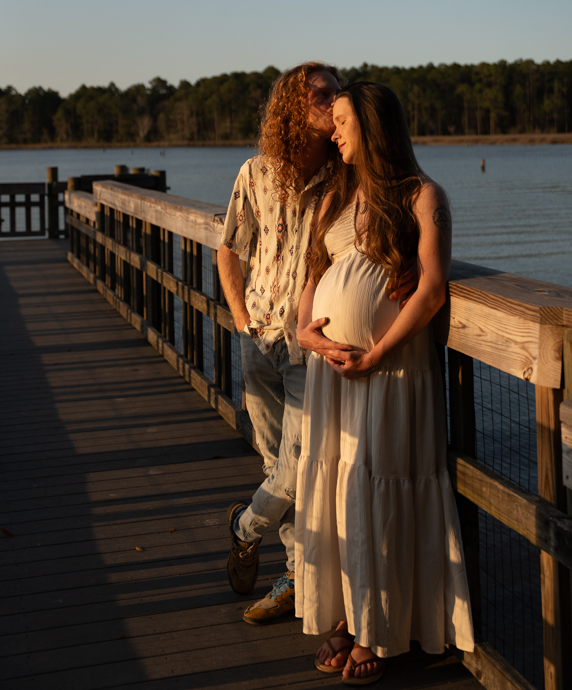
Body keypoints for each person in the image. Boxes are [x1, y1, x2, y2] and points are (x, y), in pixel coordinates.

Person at [295, 81, 475, 684]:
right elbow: (310, 276)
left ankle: (381, 628)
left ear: (373, 127)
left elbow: (430, 291)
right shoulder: (334, 199)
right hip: (333, 373)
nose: (333, 132)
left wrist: (376, 352)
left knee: (379, 488)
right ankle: (345, 617)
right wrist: (308, 334)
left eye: (342, 121)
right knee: (339, 493)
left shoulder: (424, 197)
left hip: (392, 374)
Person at [217, 61, 345, 624]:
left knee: (295, 467)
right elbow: (228, 249)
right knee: (278, 461)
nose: (334, 99)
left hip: (307, 346)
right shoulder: (256, 172)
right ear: (295, 103)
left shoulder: (346, 174)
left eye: (339, 91)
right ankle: (294, 577)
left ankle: (244, 526)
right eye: (323, 92)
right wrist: (241, 316)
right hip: (257, 340)